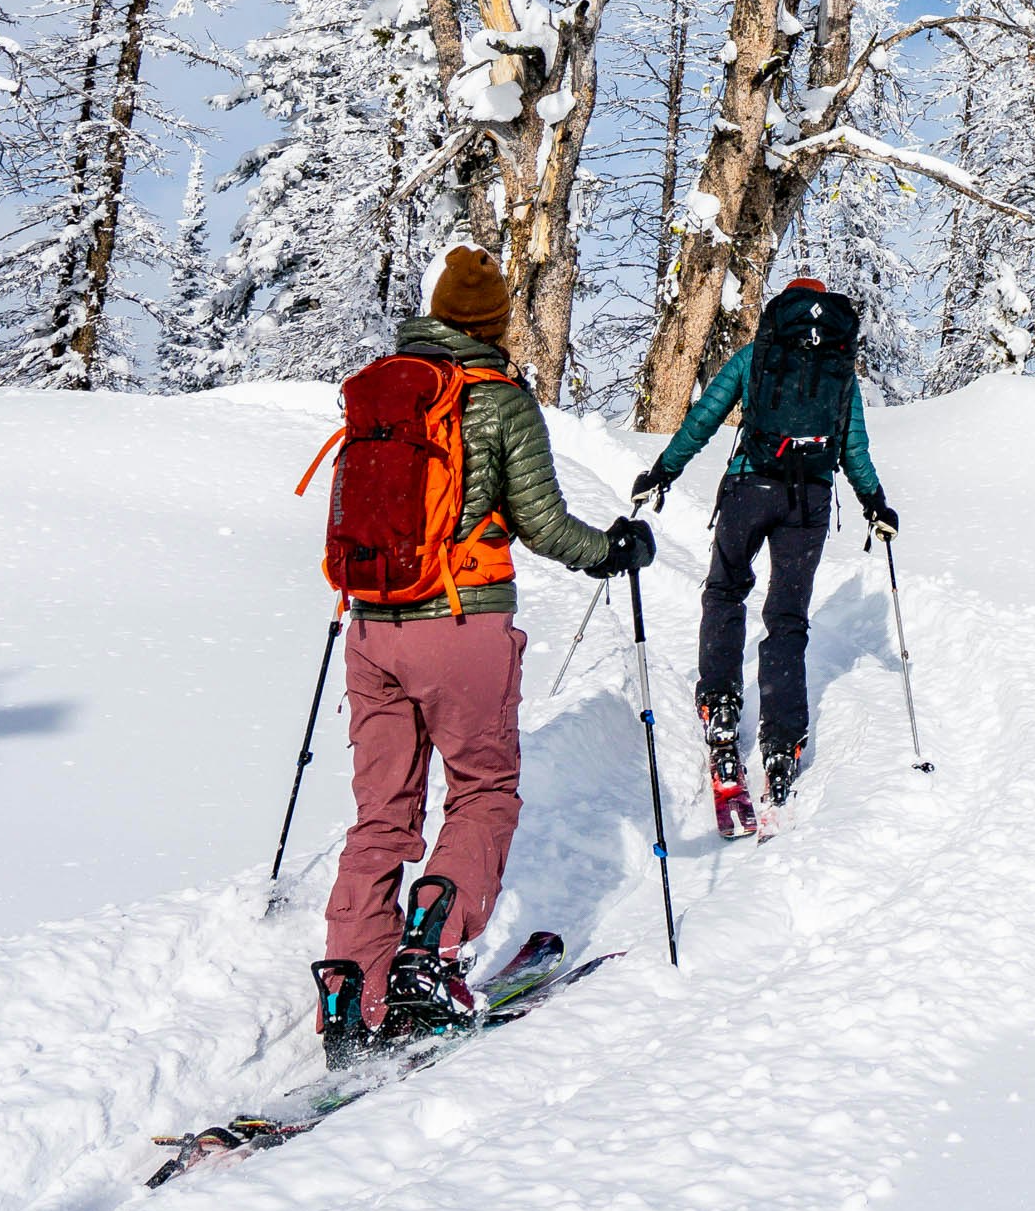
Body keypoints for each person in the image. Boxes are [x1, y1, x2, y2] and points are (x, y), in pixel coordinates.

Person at [319, 245, 651, 1064]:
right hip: (461, 625)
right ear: (496, 323)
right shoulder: (498, 400)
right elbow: (540, 522)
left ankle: (348, 990)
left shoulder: (382, 396)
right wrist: (611, 551)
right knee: (483, 790)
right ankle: (427, 963)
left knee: (381, 816)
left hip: (371, 627)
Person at [633, 277, 892, 823]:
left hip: (750, 489)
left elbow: (704, 416)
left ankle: (721, 705)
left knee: (726, 591)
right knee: (788, 617)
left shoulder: (759, 355)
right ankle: (781, 743)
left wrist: (664, 471)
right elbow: (854, 447)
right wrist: (875, 503)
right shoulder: (839, 370)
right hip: (809, 503)